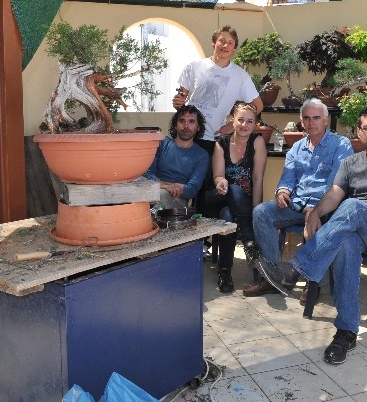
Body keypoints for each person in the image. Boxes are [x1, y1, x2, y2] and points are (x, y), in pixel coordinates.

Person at [256, 106, 367, 365]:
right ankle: (346, 331)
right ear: (358, 132)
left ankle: (294, 270)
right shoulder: (351, 163)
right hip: (358, 231)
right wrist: (314, 214)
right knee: (345, 241)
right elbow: (333, 196)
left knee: (352, 206)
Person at [242, 98, 353, 298]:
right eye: (307, 118)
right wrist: (282, 192)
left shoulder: (341, 145)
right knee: (262, 212)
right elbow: (287, 179)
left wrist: (316, 210)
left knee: (322, 221)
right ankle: (273, 277)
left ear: (326, 120)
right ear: (301, 122)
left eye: (316, 118)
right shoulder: (296, 148)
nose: (311, 122)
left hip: (326, 207)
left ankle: (314, 282)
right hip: (297, 206)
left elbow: (336, 185)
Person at [172, 25, 264, 156]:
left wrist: (231, 125)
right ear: (214, 43)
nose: (225, 45)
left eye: (230, 43)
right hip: (188, 137)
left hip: (214, 139)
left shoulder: (240, 76)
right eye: (222, 40)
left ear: (234, 49)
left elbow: (258, 106)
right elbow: (181, 100)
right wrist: (178, 102)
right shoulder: (194, 67)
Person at [205, 103, 267, 293]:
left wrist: (256, 211)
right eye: (240, 120)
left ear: (255, 124)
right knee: (233, 189)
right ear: (232, 121)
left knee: (228, 215)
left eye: (250, 121)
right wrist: (220, 181)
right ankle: (249, 241)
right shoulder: (221, 143)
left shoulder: (257, 142)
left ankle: (224, 273)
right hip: (218, 197)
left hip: (240, 206)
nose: (244, 125)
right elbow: (218, 175)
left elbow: (257, 179)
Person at [144, 105, 209, 209]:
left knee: (163, 196)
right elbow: (147, 173)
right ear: (175, 125)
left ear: (198, 127)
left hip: (178, 201)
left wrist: (173, 188)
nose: (186, 125)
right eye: (182, 121)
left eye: (191, 122)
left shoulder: (202, 155)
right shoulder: (162, 144)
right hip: (154, 192)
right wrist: (162, 185)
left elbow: (192, 189)